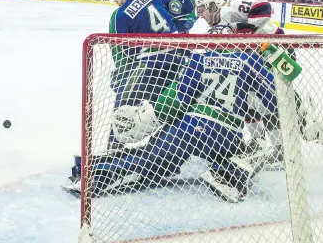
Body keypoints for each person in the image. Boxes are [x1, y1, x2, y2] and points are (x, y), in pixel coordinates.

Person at [77, 46, 320, 203]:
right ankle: (230, 174)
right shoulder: (248, 60)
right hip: (225, 134)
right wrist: (301, 116)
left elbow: (179, 98)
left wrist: (151, 117)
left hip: (188, 127)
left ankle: (95, 172)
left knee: (151, 159)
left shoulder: (200, 58)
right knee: (255, 146)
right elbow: (276, 96)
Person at [63, 0, 180, 192]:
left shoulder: (119, 17)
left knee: (123, 106)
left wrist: (122, 80)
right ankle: (168, 155)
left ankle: (109, 161)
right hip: (179, 56)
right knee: (169, 105)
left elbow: (122, 55)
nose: (115, 0)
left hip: (151, 62)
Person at [195, 0, 286, 168]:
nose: (201, 15)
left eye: (202, 10)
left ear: (213, 6)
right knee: (248, 100)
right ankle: (257, 141)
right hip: (259, 56)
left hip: (275, 49)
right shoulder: (215, 27)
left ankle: (279, 147)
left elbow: (263, 6)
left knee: (266, 102)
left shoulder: (230, 8)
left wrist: (248, 31)